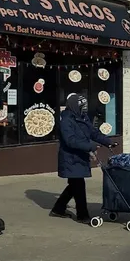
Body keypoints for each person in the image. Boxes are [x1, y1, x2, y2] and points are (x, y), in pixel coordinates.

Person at [51, 93, 114, 223]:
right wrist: (90, 146)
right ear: (74, 106)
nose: (84, 109)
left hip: (80, 156)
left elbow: (94, 133)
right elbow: (70, 141)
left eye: (85, 106)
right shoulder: (66, 120)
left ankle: (58, 209)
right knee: (78, 185)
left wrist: (107, 142)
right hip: (70, 158)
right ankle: (82, 216)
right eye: (82, 106)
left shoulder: (83, 117)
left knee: (74, 185)